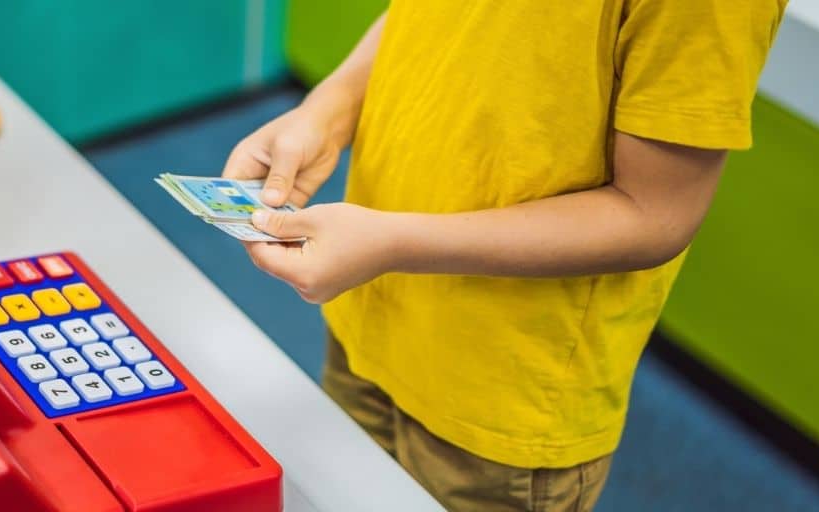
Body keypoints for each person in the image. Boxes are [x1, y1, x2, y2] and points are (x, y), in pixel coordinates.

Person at [222, 1, 787, 510]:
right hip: (371, 321)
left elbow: (654, 214)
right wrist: (330, 107)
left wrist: (393, 243)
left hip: (499, 401)